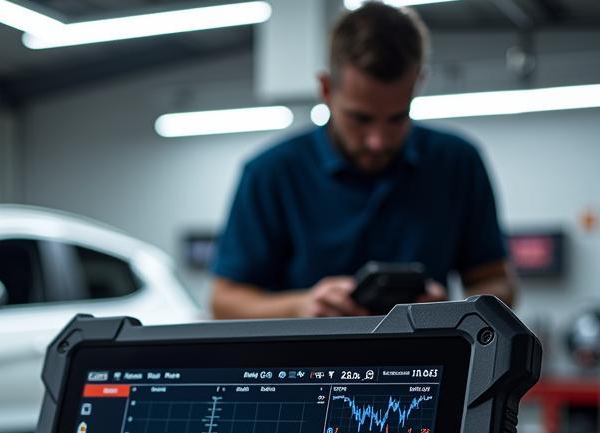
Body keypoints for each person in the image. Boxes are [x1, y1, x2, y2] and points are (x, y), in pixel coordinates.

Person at [210, 1, 516, 319]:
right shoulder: (270, 173)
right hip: (307, 367)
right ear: (327, 89)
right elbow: (224, 300)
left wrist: (452, 312)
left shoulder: (458, 163)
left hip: (424, 366)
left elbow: (495, 279)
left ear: (418, 83)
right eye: (360, 119)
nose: (377, 141)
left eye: (397, 118)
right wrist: (301, 305)